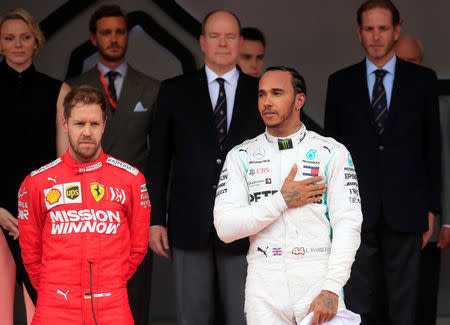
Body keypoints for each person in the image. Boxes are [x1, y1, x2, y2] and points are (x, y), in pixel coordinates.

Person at [213, 66, 362, 325]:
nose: (267, 102)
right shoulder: (241, 156)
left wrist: (332, 286)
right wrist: (281, 200)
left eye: (277, 93)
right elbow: (225, 228)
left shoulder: (332, 152)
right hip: (263, 289)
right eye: (261, 95)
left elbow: (348, 224)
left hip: (317, 281)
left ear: (299, 100)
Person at [324, 1, 441, 324]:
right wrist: (331, 209)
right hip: (355, 211)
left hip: (407, 208)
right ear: (359, 33)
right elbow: (332, 154)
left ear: (396, 31)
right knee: (359, 303)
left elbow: (432, 147)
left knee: (405, 304)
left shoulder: (423, 80)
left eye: (383, 28)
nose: (376, 36)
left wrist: (432, 208)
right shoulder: (340, 82)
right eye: (370, 29)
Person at [147, 10, 264, 325]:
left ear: (240, 42)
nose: (222, 43)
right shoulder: (174, 91)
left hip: (248, 226)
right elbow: (157, 159)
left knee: (245, 317)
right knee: (194, 316)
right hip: (188, 223)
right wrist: (155, 219)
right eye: (215, 36)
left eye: (229, 36)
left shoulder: (262, 92)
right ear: (202, 42)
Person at [18, 85, 150, 325]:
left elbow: (138, 247)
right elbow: (30, 254)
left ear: (104, 125)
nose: (87, 132)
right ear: (65, 123)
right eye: (79, 124)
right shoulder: (36, 183)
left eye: (94, 124)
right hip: (54, 308)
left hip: (112, 307)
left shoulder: (131, 180)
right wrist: (58, 290)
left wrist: (110, 282)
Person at [65, 5, 160, 324]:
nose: (114, 38)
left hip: (134, 207)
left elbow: (158, 153)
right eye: (106, 32)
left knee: (136, 293)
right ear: (93, 38)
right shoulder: (74, 87)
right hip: (88, 207)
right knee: (88, 292)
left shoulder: (151, 87)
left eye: (120, 31)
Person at [0, 8, 70, 324]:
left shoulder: (58, 92)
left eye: (25, 37)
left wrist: (41, 213)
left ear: (36, 42)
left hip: (41, 216)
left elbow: (64, 166)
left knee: (41, 310)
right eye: (9, 38)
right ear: (0, 44)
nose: (18, 44)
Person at [393, 33, 450, 325]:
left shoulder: (435, 103)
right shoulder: (379, 102)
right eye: (399, 61)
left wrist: (445, 219)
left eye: (411, 61)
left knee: (423, 298)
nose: (405, 67)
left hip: (426, 217)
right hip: (386, 221)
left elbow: (443, 163)